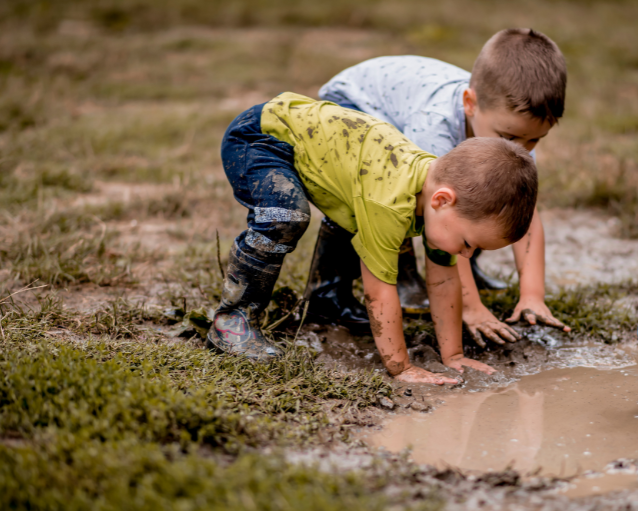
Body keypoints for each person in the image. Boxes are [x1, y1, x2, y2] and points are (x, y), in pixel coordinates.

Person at [207, 92, 538, 384]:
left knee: (355, 217)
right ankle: (232, 320)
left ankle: (326, 301)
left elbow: (443, 281)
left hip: (315, 148)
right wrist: (401, 367)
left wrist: (452, 357)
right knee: (286, 215)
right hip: (261, 137)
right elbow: (379, 293)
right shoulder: (389, 203)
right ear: (442, 200)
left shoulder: (438, 199)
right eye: (469, 244)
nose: (466, 255)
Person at [311, 28, 571, 344]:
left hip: (401, 107)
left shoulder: (512, 133)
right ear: (470, 104)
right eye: (510, 138)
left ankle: (467, 271)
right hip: (355, 105)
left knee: (486, 200)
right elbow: (442, 214)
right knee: (392, 197)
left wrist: (532, 295)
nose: (524, 148)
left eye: (535, 140)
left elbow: (524, 214)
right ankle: (361, 286)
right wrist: (470, 308)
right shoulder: (434, 127)